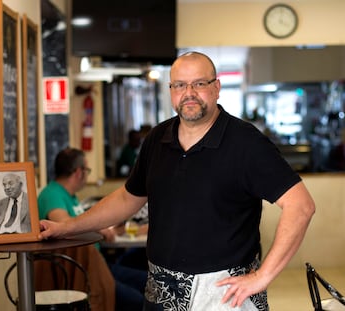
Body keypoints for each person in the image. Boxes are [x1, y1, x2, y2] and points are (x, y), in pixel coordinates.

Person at [38, 52, 316, 310]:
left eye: (199, 84)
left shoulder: (247, 143)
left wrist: (263, 277)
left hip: (225, 295)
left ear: (217, 88)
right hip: (161, 290)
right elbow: (127, 198)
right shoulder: (157, 140)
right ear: (171, 90)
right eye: (180, 85)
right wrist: (67, 227)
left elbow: (300, 206)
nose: (189, 94)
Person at [37, 147, 147, 311]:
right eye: (87, 170)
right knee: (138, 300)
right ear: (79, 172)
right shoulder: (52, 194)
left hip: (98, 263)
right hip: (82, 271)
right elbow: (63, 224)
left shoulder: (71, 196)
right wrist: (100, 230)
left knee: (146, 281)